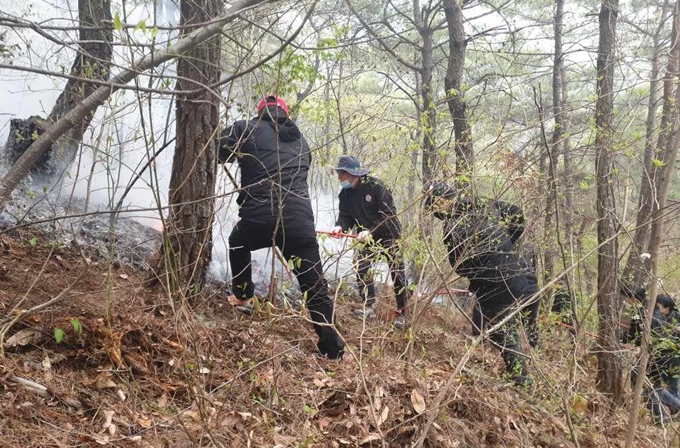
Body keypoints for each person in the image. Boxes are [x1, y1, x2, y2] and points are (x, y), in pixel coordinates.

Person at [218, 95, 345, 359]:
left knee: (238, 242)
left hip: (260, 216)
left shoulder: (245, 128)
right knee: (315, 286)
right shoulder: (301, 142)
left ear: (261, 112)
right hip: (300, 223)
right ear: (285, 114)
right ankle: (332, 349)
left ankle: (243, 297)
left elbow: (217, 151)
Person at [423, 181, 535, 386]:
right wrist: (508, 245)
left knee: (503, 332)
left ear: (440, 203)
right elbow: (517, 214)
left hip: (495, 284)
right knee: (499, 324)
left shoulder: (452, 228)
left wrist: (485, 264)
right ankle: (487, 347)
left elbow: (460, 267)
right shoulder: (481, 203)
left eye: (433, 207)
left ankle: (522, 380)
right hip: (516, 274)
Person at [330, 155, 409, 329]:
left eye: (341, 174)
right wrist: (339, 227)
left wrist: (370, 231)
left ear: (352, 174)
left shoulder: (377, 187)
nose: (339, 178)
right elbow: (345, 217)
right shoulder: (345, 194)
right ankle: (370, 307)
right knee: (361, 265)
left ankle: (403, 313)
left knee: (397, 273)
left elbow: (389, 215)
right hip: (365, 237)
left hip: (388, 234)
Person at [620, 285, 680, 423]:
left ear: (633, 299)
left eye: (628, 299)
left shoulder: (645, 313)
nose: (626, 302)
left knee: (649, 386)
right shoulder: (654, 311)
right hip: (668, 356)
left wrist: (620, 338)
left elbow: (637, 336)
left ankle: (664, 417)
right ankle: (665, 415)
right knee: (657, 386)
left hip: (662, 357)